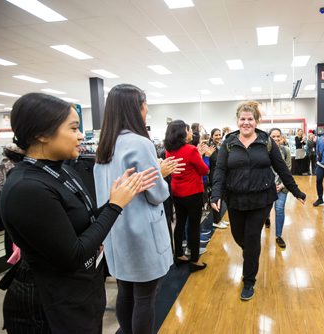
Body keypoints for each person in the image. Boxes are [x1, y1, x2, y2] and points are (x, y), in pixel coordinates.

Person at [0, 92, 156, 333]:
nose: (81, 135)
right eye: (73, 128)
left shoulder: (61, 171)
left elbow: (84, 222)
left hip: (79, 295)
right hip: (51, 307)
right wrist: (114, 206)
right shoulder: (27, 188)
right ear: (41, 134)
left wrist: (121, 196)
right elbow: (74, 254)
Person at [94, 84, 173, 334]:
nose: (147, 109)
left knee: (125, 290)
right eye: (145, 103)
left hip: (115, 231)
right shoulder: (139, 143)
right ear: (136, 107)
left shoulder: (105, 145)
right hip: (142, 233)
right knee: (145, 298)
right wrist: (162, 175)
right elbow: (157, 193)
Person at [211, 101, 306, 301]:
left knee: (253, 237)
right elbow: (220, 170)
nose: (246, 123)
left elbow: (281, 168)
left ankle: (249, 280)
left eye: (250, 119)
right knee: (239, 236)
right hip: (235, 199)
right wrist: (216, 194)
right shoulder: (228, 144)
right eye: (242, 119)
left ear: (256, 121)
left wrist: (295, 190)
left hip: (261, 199)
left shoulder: (266, 142)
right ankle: (251, 251)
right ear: (237, 121)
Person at [165, 120, 209, 272]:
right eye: (188, 130)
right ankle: (194, 260)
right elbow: (204, 170)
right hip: (193, 192)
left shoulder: (168, 150)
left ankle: (179, 255)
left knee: (180, 223)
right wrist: (201, 155)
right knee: (194, 226)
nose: (191, 133)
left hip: (177, 192)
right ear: (182, 133)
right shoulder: (191, 150)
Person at [269, 128, 292, 248]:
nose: (276, 139)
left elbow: (288, 170)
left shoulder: (286, 151)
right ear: (269, 138)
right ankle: (266, 219)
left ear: (282, 137)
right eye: (273, 136)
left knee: (279, 209)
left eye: (278, 136)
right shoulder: (264, 152)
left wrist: (282, 185)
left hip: (282, 187)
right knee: (266, 209)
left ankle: (278, 236)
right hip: (268, 187)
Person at [208, 128, 229, 229]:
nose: (218, 137)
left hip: (221, 176)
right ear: (212, 136)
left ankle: (219, 219)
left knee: (221, 198)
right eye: (216, 135)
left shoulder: (219, 146)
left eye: (219, 134)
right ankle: (216, 221)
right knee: (217, 198)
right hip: (214, 177)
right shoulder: (210, 148)